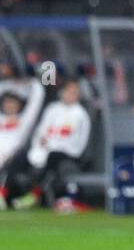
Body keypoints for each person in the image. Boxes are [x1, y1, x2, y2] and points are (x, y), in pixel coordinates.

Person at [7, 79, 92, 212]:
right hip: (44, 149)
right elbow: (41, 131)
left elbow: (80, 141)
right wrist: (41, 143)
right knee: (19, 156)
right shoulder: (52, 109)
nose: (71, 95)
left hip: (67, 153)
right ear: (62, 92)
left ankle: (34, 195)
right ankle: (4, 193)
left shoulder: (81, 114)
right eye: (69, 92)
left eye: (75, 92)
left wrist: (57, 145)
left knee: (53, 157)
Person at [0, 77, 46, 209]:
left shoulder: (24, 120)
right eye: (7, 102)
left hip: (10, 155)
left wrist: (34, 82)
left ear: (20, 105)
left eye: (13, 102)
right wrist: (10, 83)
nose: (10, 105)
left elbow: (36, 101)